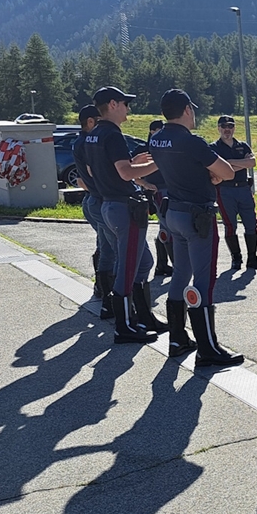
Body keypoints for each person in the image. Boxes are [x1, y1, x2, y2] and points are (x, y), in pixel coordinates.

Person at [149, 89, 244, 367]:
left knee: (180, 274)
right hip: (197, 215)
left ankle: (177, 338)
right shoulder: (191, 142)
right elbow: (226, 172)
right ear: (188, 110)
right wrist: (210, 176)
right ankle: (208, 348)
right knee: (204, 279)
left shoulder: (157, 140)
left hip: (173, 211)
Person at [82, 86, 167, 344]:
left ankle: (141, 317)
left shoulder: (93, 134)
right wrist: (160, 161)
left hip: (109, 203)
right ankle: (125, 326)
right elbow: (125, 172)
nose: (128, 109)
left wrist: (131, 165)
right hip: (123, 207)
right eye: (125, 103)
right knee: (128, 267)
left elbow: (95, 170)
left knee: (141, 263)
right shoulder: (112, 134)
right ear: (113, 104)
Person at [72, 104, 114, 316]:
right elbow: (91, 172)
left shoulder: (81, 141)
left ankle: (102, 290)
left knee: (104, 245)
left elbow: (81, 179)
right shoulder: (87, 142)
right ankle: (108, 296)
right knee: (110, 249)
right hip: (98, 199)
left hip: (93, 198)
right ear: (90, 122)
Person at [210, 115, 257, 270]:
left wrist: (228, 163)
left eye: (230, 127)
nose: (227, 130)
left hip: (243, 188)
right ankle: (236, 258)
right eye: (224, 127)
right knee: (230, 225)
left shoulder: (242, 145)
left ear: (234, 128)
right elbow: (216, 169)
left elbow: (252, 162)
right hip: (225, 190)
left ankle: (252, 258)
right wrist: (241, 163)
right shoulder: (213, 148)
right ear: (219, 128)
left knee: (251, 224)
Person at [143, 119, 173, 278]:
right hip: (157, 191)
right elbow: (131, 170)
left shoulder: (167, 148)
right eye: (156, 130)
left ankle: (162, 265)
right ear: (150, 131)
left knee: (165, 227)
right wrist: (144, 183)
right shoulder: (145, 149)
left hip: (171, 189)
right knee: (167, 228)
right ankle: (174, 263)